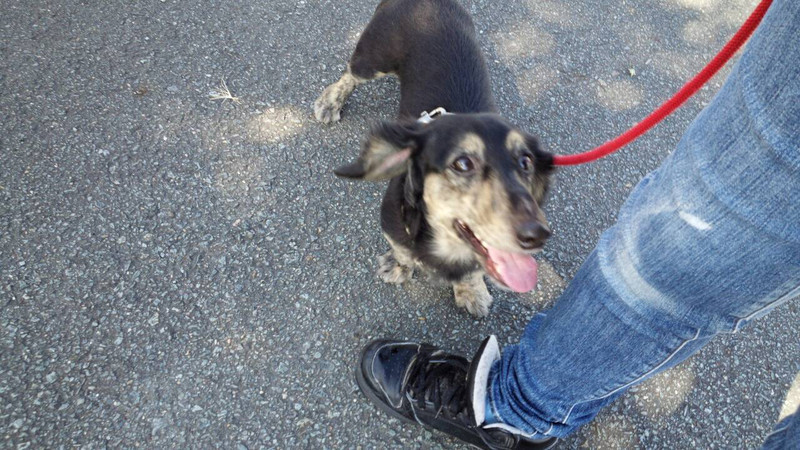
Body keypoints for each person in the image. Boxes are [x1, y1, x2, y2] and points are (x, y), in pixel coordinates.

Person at [354, 0, 800, 448]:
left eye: (523, 165)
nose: (533, 222)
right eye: (465, 164)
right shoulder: (402, 198)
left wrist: (472, 272)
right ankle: (347, 84)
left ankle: (516, 407)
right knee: (362, 67)